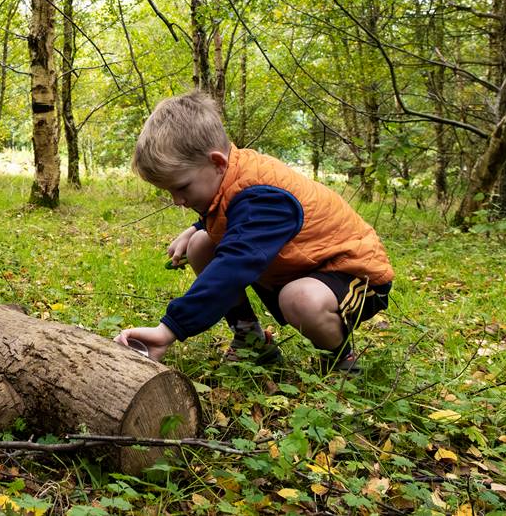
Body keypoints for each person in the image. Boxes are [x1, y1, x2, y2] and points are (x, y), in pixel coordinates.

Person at [113, 91, 394, 374]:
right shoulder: (230, 172)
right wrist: (195, 227)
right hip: (301, 265)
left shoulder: (263, 197)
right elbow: (233, 211)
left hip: (354, 272)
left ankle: (340, 360)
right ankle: (251, 339)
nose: (177, 200)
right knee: (200, 244)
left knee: (299, 299)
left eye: (182, 187)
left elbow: (233, 266)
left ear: (217, 162)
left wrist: (170, 328)